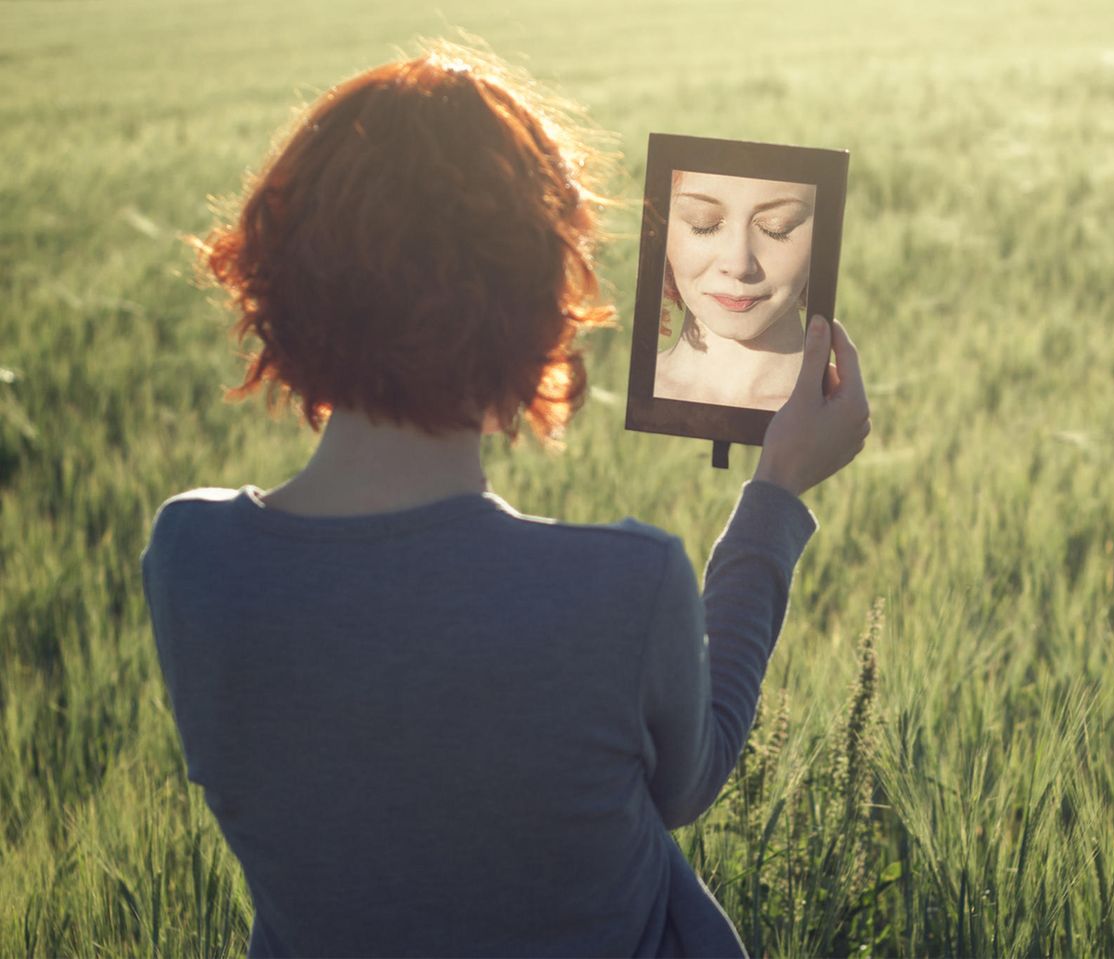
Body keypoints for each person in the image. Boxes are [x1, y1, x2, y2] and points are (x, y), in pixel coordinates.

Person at [140, 40, 869, 959]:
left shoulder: (193, 558)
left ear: (277, 282)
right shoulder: (621, 589)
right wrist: (775, 492)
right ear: (540, 308)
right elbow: (690, 781)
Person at [653, 172, 816, 410]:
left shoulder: (838, 420)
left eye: (777, 227)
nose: (739, 265)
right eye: (703, 224)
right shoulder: (616, 397)